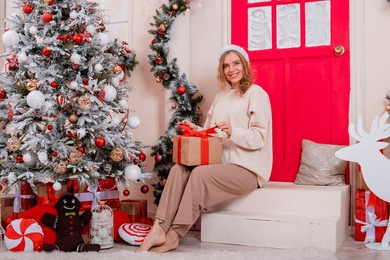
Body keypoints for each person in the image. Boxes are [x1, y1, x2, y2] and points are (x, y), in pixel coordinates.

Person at [138, 44, 273, 253]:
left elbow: (259, 138)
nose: (231, 69)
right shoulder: (221, 97)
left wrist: (232, 132)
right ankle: (159, 227)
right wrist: (197, 129)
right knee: (178, 169)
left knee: (199, 174)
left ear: (245, 66)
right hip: (221, 165)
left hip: (247, 170)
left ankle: (175, 234)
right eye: (226, 65)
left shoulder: (256, 93)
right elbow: (211, 133)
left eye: (236, 63)